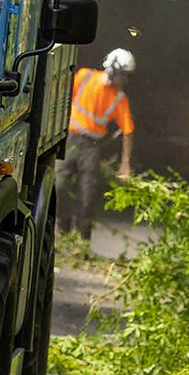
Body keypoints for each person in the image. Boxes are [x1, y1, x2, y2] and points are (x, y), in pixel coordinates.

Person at [59, 48, 135, 238]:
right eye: (124, 76)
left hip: (91, 147)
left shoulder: (119, 97)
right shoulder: (84, 77)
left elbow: (128, 131)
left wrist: (125, 165)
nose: (125, 81)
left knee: (88, 192)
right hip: (70, 139)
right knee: (59, 183)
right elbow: (62, 98)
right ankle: (62, 223)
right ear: (113, 71)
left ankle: (82, 236)